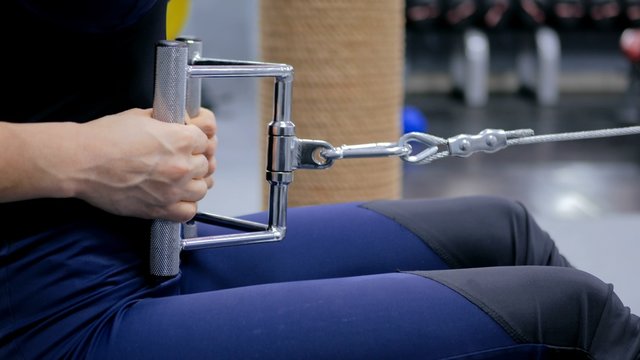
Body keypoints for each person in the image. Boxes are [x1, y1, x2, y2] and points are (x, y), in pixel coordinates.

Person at [1, 1, 638, 359]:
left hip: (146, 249)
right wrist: (85, 155)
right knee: (573, 315)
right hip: (45, 311)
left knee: (503, 229)